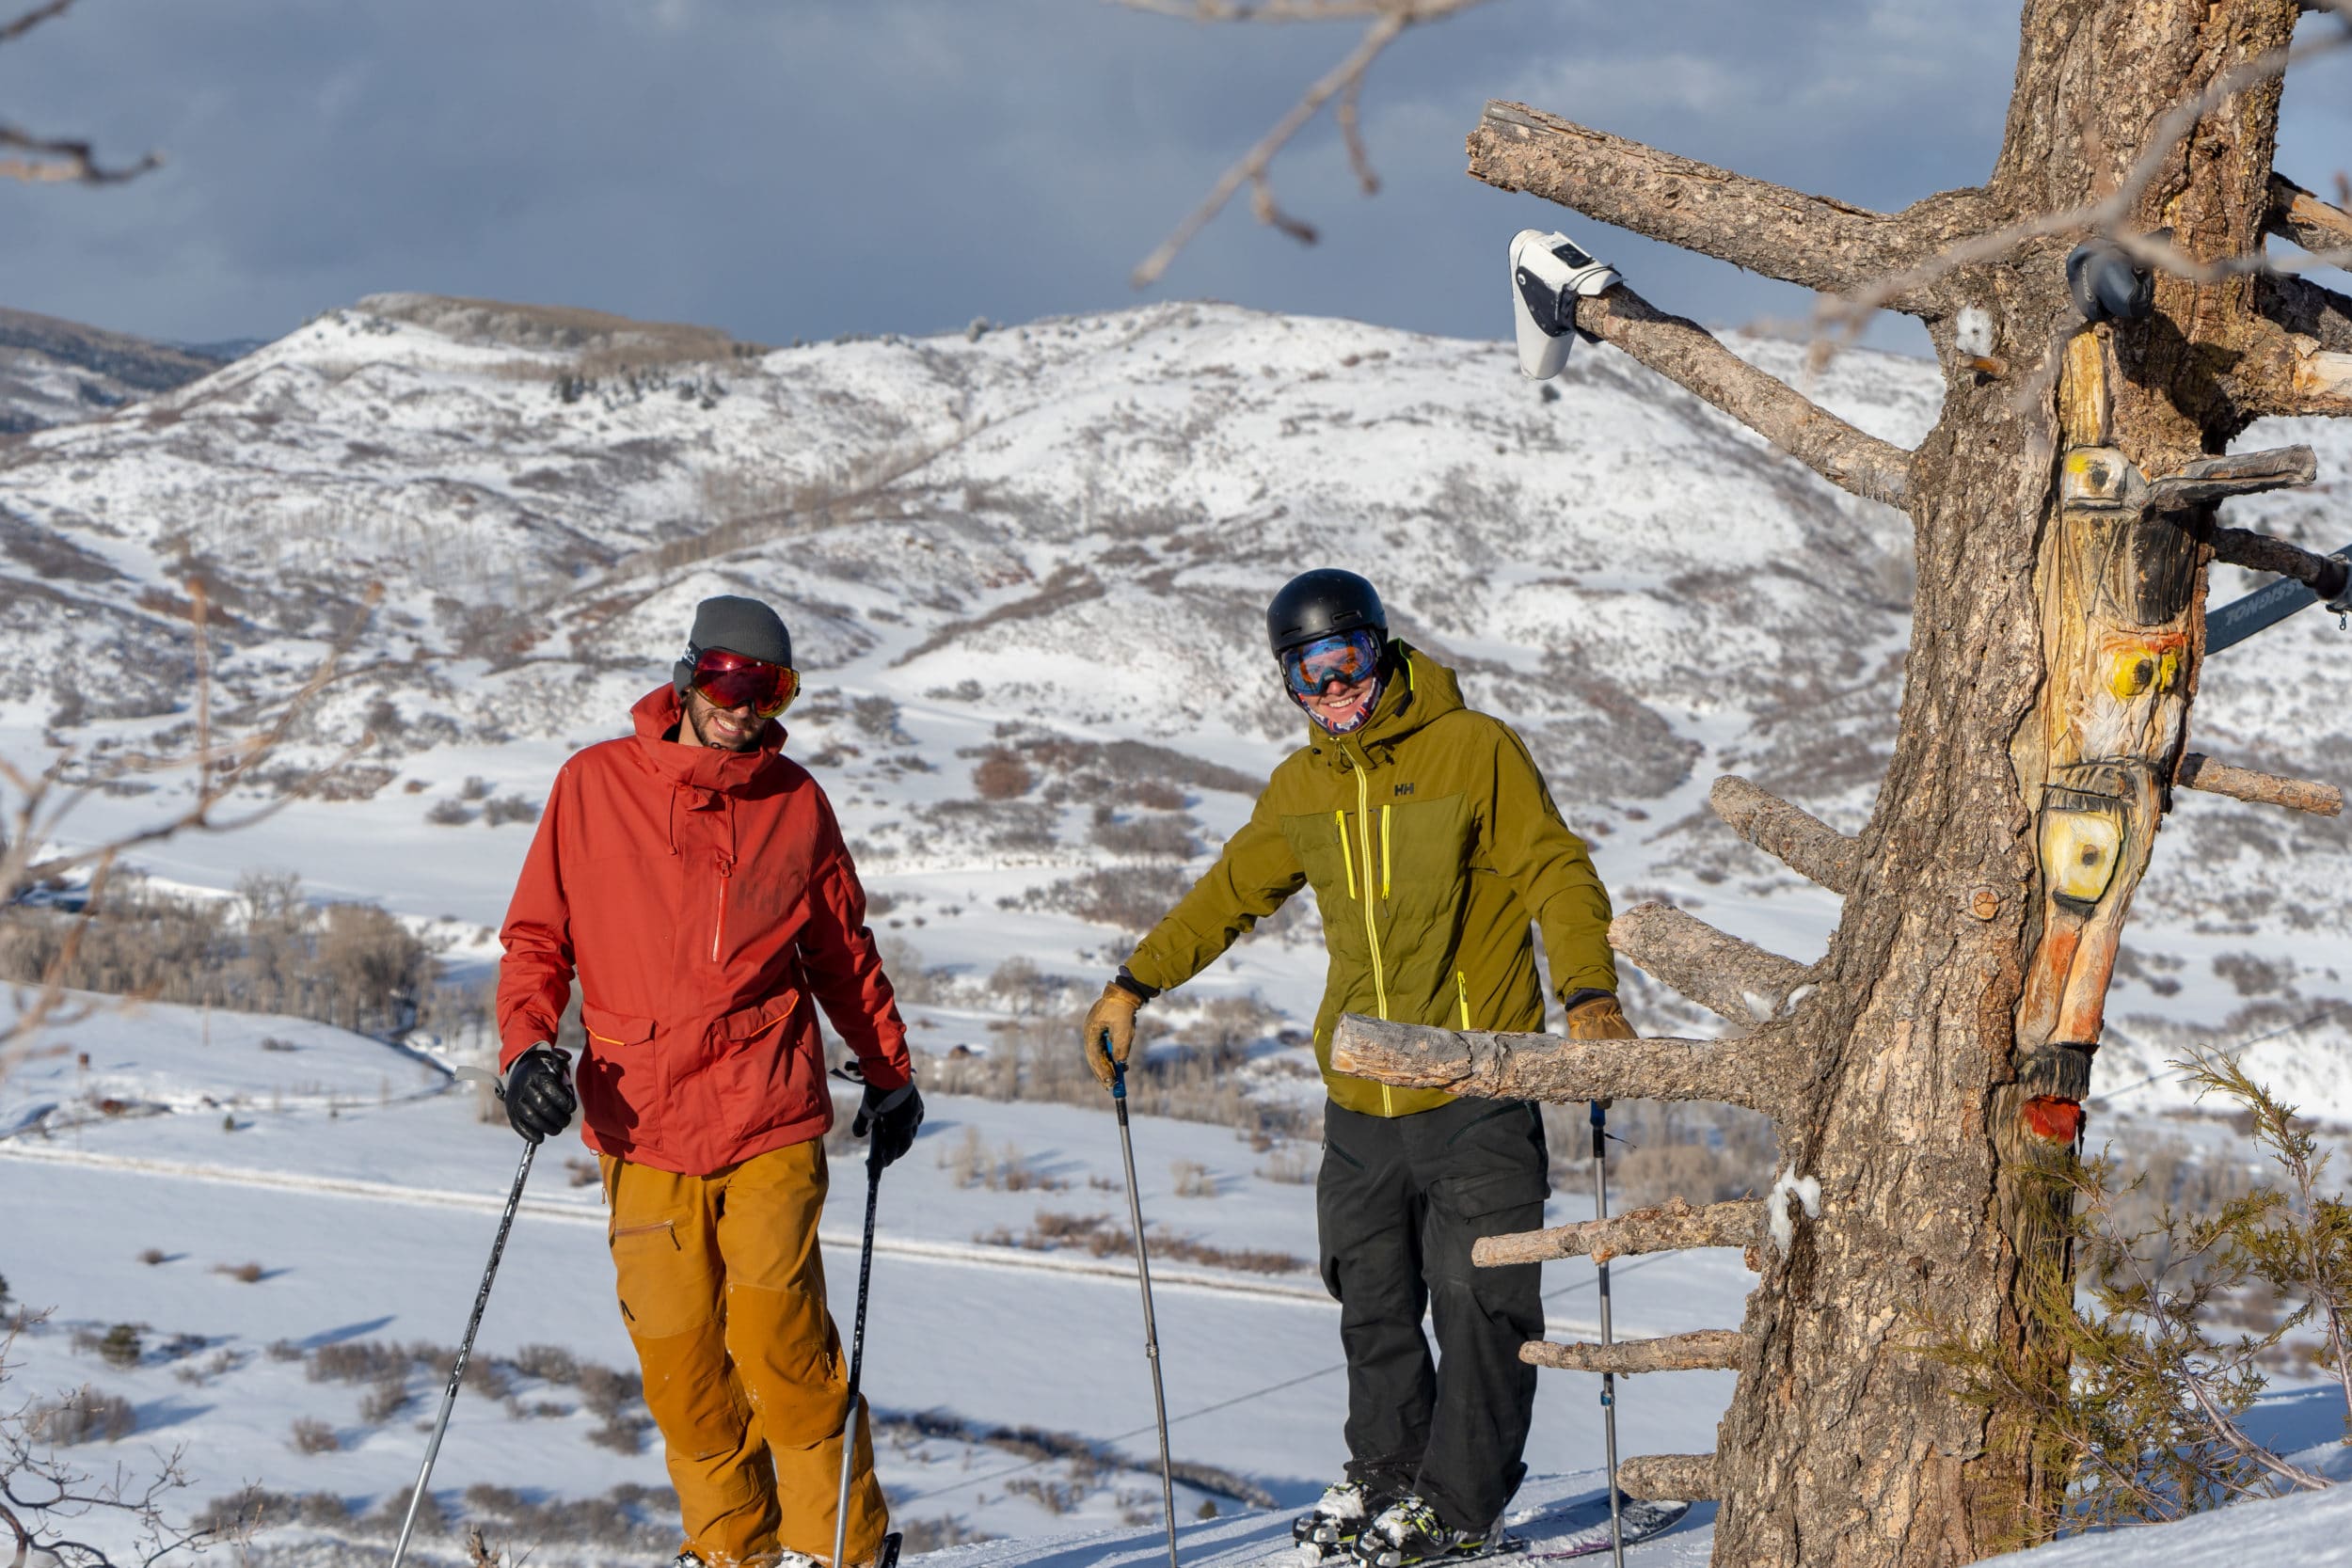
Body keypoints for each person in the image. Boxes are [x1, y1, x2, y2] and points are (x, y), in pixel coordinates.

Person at [1081, 569, 1634, 1568]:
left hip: (1475, 1086)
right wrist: (1133, 981)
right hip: (1359, 1100)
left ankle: (1461, 1503)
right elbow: (1228, 894)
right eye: (1307, 672)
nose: (1332, 688)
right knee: (1371, 1297)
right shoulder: (1304, 787)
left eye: (1347, 662)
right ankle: (1387, 1472)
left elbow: (1556, 868)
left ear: (1382, 649)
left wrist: (1589, 996)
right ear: (1285, 680)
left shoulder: (1474, 749)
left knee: (1480, 1303)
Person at [497, 594, 924, 1568]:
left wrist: (889, 1072)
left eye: (770, 687)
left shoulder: (795, 801)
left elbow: (841, 951)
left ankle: (844, 1549)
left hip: (767, 1105)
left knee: (781, 1338)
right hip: (641, 1120)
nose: (747, 703)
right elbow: (536, 940)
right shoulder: (591, 785)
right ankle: (730, 1548)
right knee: (680, 1359)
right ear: (690, 674)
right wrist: (524, 1050)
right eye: (732, 679)